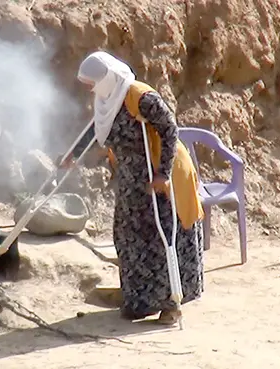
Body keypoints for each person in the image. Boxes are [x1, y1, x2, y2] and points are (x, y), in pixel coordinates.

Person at [65, 51, 205, 325]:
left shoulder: (139, 96)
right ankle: (140, 302)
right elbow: (97, 129)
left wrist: (163, 173)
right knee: (130, 237)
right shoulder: (106, 99)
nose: (88, 88)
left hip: (161, 175)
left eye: (90, 82)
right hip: (131, 179)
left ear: (107, 78)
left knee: (162, 235)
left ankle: (171, 304)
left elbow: (169, 130)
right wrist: (74, 153)